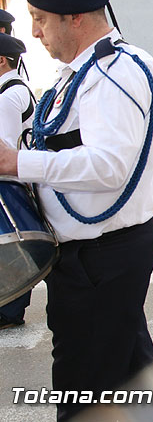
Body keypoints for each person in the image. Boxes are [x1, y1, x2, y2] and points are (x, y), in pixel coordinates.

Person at [0, 0, 153, 419]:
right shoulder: (85, 72)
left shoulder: (116, 71)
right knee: (133, 378)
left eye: (39, 19)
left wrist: (17, 162)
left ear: (73, 16)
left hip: (101, 255)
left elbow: (109, 165)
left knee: (84, 393)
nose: (34, 32)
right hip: (92, 254)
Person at [0, 32, 36, 330]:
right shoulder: (16, 89)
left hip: (10, 181)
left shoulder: (9, 95)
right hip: (19, 178)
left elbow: (5, 147)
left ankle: (10, 311)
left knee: (12, 246)